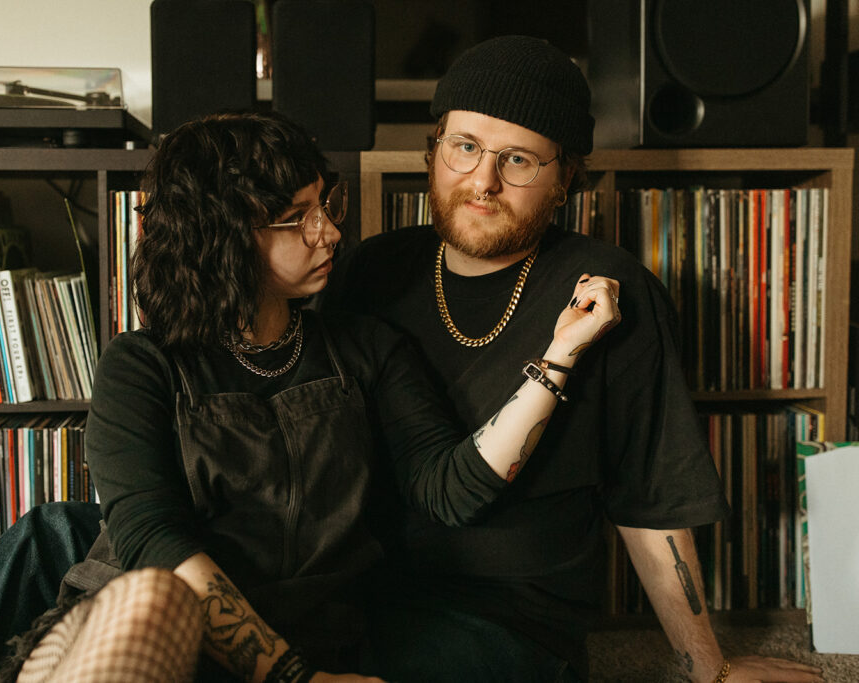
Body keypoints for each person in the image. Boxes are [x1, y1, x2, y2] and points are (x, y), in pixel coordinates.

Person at [0, 110, 618, 683]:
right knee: (149, 598)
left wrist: (556, 360)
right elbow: (157, 543)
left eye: (326, 205)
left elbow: (450, 489)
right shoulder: (142, 366)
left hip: (304, 634)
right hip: (146, 632)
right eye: (296, 219)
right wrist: (292, 678)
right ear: (225, 237)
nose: (328, 234)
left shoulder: (368, 349)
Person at [322, 36, 825, 683]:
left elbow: (649, 498)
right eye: (466, 146)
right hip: (363, 593)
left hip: (512, 617)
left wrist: (709, 668)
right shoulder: (372, 269)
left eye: (520, 160)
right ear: (433, 150)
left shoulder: (609, 291)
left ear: (564, 182)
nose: (483, 180)